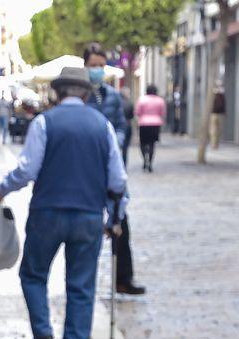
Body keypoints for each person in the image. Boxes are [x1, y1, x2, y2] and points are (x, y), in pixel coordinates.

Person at [0, 66, 127, 339]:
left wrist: (3, 188)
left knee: (33, 274)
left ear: (58, 91)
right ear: (86, 93)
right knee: (81, 284)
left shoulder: (44, 123)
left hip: (47, 213)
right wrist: (115, 216)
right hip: (89, 215)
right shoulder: (102, 126)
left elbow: (27, 170)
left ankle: (44, 334)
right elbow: (117, 181)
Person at [83, 43, 146, 296]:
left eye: (100, 65)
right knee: (86, 225)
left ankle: (124, 277)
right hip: (87, 170)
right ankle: (84, 281)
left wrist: (113, 145)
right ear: (85, 66)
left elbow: (122, 126)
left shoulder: (113, 97)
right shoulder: (80, 96)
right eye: (93, 65)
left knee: (121, 222)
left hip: (110, 167)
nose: (97, 70)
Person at [136, 85, 166, 172]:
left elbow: (138, 112)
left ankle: (144, 160)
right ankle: (150, 162)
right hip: (155, 123)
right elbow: (162, 112)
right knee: (152, 144)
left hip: (143, 123)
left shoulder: (142, 99)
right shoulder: (160, 100)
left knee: (142, 143)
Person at [119, 83, 134, 168]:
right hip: (127, 126)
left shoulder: (117, 102)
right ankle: (124, 165)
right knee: (125, 148)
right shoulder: (129, 103)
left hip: (118, 126)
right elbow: (131, 116)